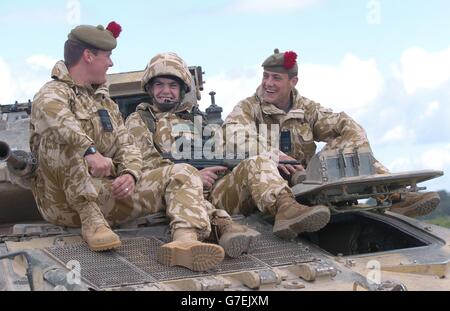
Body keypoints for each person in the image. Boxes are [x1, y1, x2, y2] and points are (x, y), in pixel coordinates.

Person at [30, 22, 230, 272]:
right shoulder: (52, 94)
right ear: (89, 56)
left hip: (107, 193)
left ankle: (185, 241)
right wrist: (89, 151)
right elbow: (57, 121)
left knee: (182, 172)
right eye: (107, 56)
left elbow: (128, 146)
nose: (111, 63)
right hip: (64, 203)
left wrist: (130, 173)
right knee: (60, 137)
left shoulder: (106, 104)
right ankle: (90, 217)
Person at [125, 52, 330, 241]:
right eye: (159, 85)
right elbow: (145, 165)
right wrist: (193, 175)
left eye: (172, 85)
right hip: (176, 195)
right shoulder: (140, 121)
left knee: (256, 161)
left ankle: (286, 207)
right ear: (150, 88)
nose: (166, 91)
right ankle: (220, 226)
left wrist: (268, 156)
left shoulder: (200, 121)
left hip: (216, 192)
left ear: (182, 90)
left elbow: (228, 151)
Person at [223, 48, 440, 218]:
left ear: (293, 82)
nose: (268, 83)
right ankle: (285, 210)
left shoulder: (307, 109)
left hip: (304, 185)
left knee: (351, 153)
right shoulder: (248, 108)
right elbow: (234, 134)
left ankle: (397, 196)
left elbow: (343, 125)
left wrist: (354, 144)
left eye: (276, 78)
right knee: (258, 161)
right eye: (266, 76)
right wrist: (272, 153)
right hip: (256, 191)